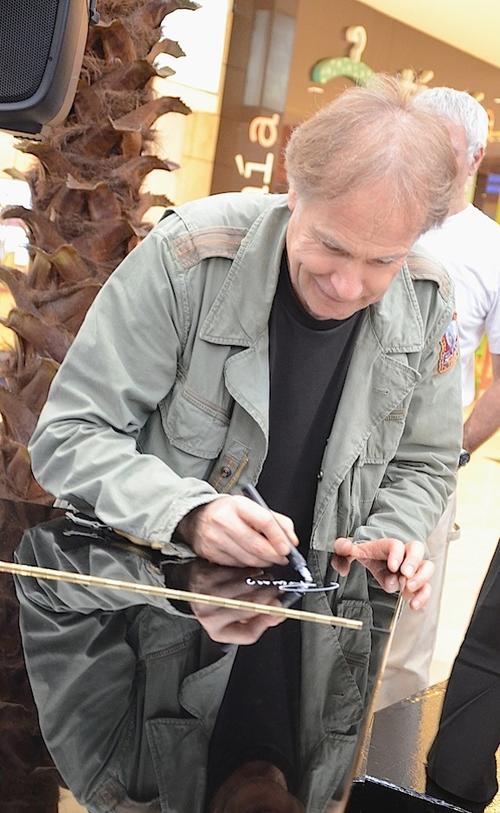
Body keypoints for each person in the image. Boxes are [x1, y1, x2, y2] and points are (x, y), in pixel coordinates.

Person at [28, 75, 463, 620]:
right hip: (148, 619)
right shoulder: (188, 258)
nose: (348, 286)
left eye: (383, 261)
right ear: (293, 191)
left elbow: (424, 463)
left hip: (318, 634)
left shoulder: (428, 301)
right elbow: (69, 436)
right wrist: (189, 513)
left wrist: (392, 534)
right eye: (331, 247)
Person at [377, 87, 500, 709]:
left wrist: (452, 451)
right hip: (338, 447)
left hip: (423, 467)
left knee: (404, 639)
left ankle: (373, 780)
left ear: (474, 158)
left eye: (441, 146)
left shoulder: (491, 250)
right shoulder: (373, 211)